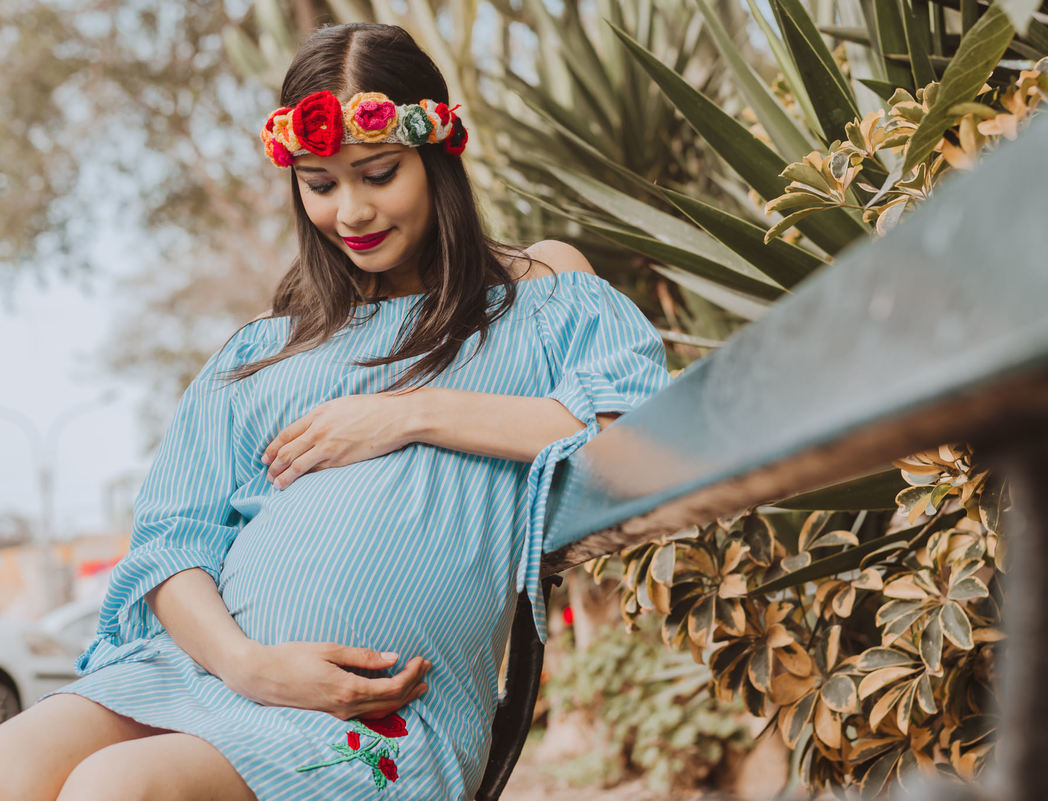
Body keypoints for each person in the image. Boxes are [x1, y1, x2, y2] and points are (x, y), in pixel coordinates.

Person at [0, 21, 671, 801]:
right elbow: (169, 542)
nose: (350, 210)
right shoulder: (264, 351)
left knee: (119, 788)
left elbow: (636, 425)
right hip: (208, 670)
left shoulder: (538, 299)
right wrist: (250, 664)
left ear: (437, 154)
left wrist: (411, 412)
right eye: (320, 184)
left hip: (368, 710)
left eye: (378, 173)